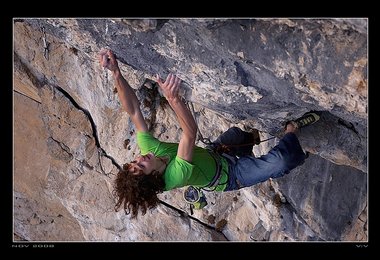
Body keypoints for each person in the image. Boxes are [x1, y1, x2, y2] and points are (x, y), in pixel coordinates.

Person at [99, 49, 318, 219]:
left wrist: (116, 73)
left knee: (239, 134)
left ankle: (253, 139)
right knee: (281, 161)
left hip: (215, 154)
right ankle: (292, 130)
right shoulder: (174, 176)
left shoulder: (150, 151)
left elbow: (134, 111)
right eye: (142, 167)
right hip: (230, 177)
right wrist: (173, 100)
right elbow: (189, 133)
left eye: (134, 162)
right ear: (153, 176)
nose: (141, 159)